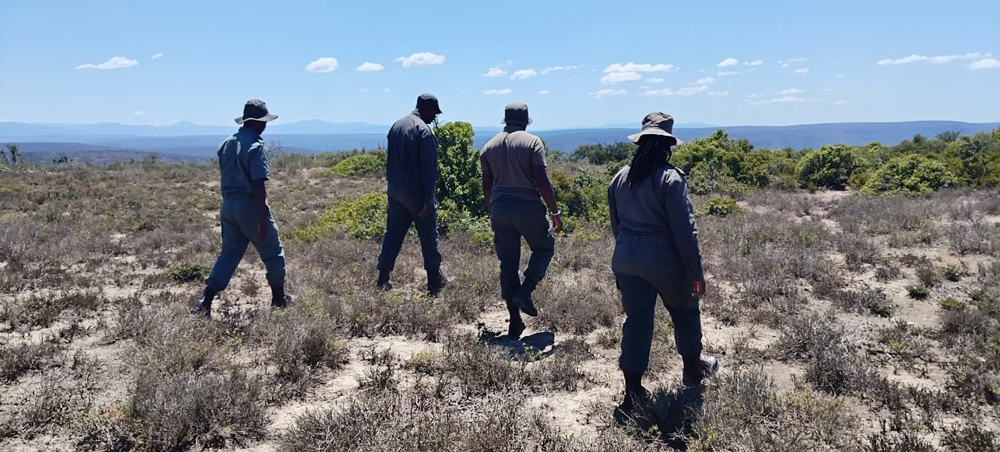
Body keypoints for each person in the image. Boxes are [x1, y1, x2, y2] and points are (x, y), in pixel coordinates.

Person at [607, 112, 719, 418]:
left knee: (637, 321)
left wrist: (627, 254)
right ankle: (693, 376)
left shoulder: (620, 177)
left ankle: (632, 392)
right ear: (667, 145)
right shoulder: (670, 178)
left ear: (641, 142)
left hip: (626, 257)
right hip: (663, 259)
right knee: (685, 313)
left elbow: (616, 225)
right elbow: (685, 231)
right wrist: (696, 272)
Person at [192, 99, 292, 318]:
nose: (265, 125)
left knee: (229, 253)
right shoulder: (256, 146)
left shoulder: (226, 143)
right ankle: (278, 299)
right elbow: (258, 184)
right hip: (249, 206)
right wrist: (262, 220)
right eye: (263, 121)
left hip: (228, 205)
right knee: (274, 253)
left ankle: (205, 301)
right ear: (256, 123)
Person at [480, 102, 563, 338]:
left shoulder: (488, 146)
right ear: (526, 121)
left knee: (508, 264)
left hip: (499, 208)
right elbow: (541, 180)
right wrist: (554, 212)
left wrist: (492, 209)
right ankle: (526, 291)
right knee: (544, 248)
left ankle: (514, 321)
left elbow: (487, 184)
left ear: (505, 121)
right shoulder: (532, 142)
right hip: (527, 205)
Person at [376, 94, 450, 296]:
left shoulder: (396, 125)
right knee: (428, 236)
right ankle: (435, 282)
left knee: (393, 235)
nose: (434, 117)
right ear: (426, 109)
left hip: (395, 189)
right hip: (415, 192)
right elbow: (429, 169)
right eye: (434, 112)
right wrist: (428, 198)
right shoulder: (423, 130)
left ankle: (383, 280)